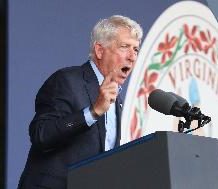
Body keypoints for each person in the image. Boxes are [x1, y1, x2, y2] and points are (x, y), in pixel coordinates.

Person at [18, 15, 143, 189]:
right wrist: (92, 112)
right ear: (99, 50)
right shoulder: (66, 81)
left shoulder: (117, 100)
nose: (132, 57)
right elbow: (42, 134)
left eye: (136, 49)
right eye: (124, 47)